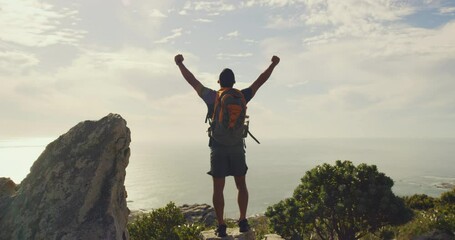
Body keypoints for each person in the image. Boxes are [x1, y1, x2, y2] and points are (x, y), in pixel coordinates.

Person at [174, 53, 280, 237]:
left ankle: (221, 225)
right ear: (234, 82)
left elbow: (192, 81)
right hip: (237, 146)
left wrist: (179, 64)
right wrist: (273, 65)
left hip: (218, 147)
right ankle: (243, 220)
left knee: (218, 187)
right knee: (241, 184)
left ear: (218, 82)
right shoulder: (243, 95)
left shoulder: (212, 96)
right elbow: (260, 81)